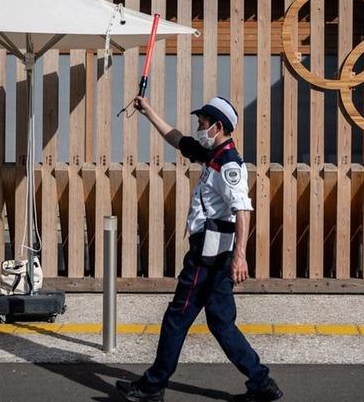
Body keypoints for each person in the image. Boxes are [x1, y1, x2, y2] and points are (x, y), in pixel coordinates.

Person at [116, 96, 283, 402]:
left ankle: (152, 387)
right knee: (220, 322)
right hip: (214, 255)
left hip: (208, 257)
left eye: (203, 122)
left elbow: (243, 209)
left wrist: (240, 256)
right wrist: (149, 110)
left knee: (176, 317)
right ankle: (261, 382)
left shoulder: (228, 163)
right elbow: (178, 139)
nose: (199, 126)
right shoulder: (213, 154)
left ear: (218, 126)